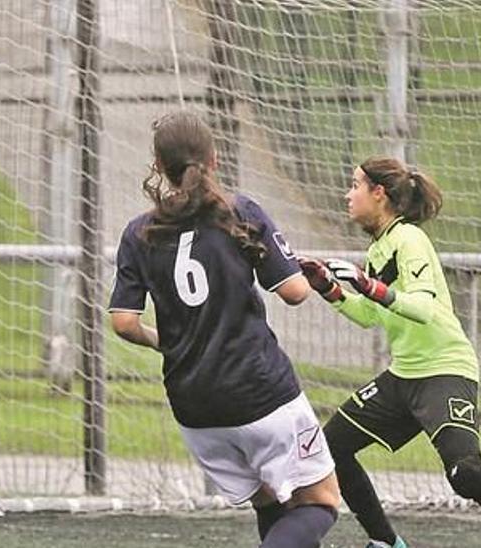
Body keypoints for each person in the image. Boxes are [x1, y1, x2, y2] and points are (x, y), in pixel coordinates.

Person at [108, 111, 339, 548]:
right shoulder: (240, 212)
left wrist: (163, 341)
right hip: (259, 390)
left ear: (158, 166)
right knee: (320, 502)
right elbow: (294, 292)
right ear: (214, 159)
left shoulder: (138, 232)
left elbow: (123, 321)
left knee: (271, 502)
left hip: (195, 408)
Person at [300, 156, 481, 548]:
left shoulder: (410, 239)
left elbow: (422, 307)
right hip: (405, 375)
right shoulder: (379, 246)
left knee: (465, 474)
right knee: (331, 448)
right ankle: (390, 544)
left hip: (444, 371)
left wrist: (369, 286)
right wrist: (329, 289)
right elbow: (370, 315)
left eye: (354, 186)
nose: (347, 195)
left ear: (378, 193)